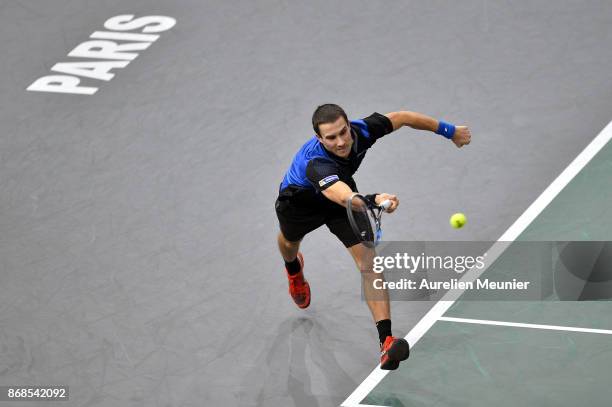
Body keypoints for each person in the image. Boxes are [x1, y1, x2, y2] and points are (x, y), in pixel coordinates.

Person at [275, 104, 471, 370]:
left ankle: (386, 341)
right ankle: (294, 270)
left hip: (342, 200)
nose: (341, 141)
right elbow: (341, 195)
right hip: (299, 203)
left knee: (370, 265)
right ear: (320, 139)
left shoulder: (362, 130)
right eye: (331, 138)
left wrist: (449, 131)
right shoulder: (315, 162)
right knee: (288, 244)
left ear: (348, 124)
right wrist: (373, 200)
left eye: (343, 132)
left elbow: (403, 118)